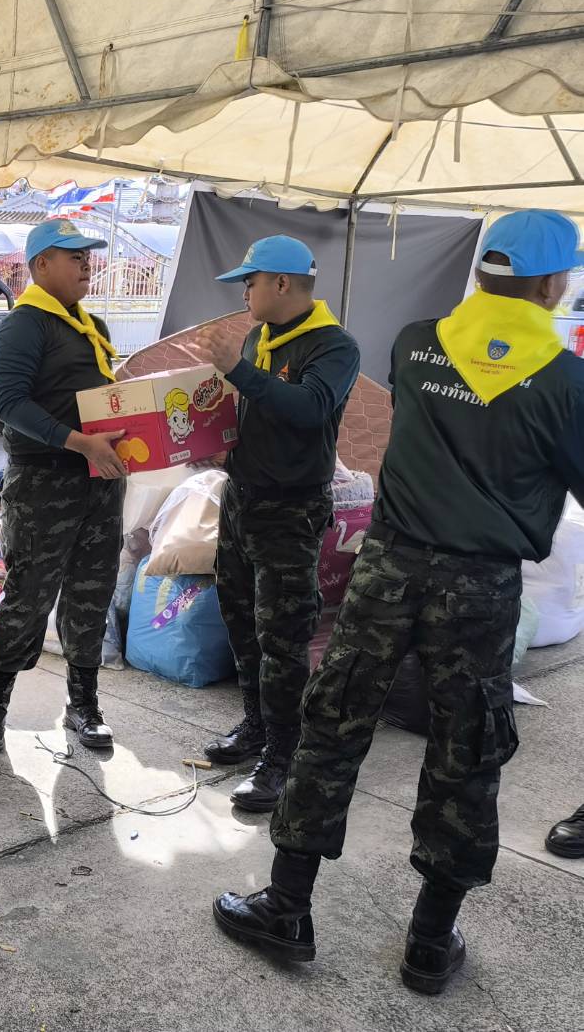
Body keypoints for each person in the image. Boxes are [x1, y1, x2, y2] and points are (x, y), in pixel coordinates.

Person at [213, 210, 584, 995]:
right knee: (464, 750)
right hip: (479, 586)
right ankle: (428, 942)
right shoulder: (566, 380)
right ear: (553, 285)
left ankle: (285, 905)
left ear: (480, 273)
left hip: (387, 567)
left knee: (333, 725)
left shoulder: (415, 346)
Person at [189, 236, 360, 812]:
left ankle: (283, 757)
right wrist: (219, 445)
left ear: (282, 283)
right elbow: (256, 411)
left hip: (290, 510)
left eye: (250, 281)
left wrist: (237, 370)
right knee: (240, 619)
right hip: (241, 498)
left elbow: (308, 409)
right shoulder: (257, 337)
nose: (244, 293)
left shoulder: (334, 346)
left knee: (281, 637)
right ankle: (256, 726)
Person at [0, 219, 128, 754]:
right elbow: (10, 404)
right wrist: (81, 443)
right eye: (74, 257)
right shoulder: (24, 325)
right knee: (29, 596)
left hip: (100, 483)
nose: (87, 265)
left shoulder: (91, 325)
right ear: (41, 265)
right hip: (44, 484)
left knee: (92, 594)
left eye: (88, 256)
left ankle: (83, 705)